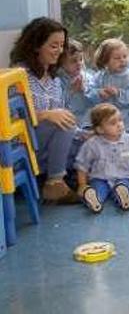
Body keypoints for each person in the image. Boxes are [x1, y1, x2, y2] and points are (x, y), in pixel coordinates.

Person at [10, 17, 79, 203]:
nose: (60, 51)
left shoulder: (56, 80)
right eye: (53, 45)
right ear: (36, 46)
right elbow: (9, 121)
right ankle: (55, 182)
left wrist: (87, 134)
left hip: (46, 147)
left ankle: (67, 182)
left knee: (92, 141)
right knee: (64, 123)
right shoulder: (18, 75)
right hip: (23, 145)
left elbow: (63, 116)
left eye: (62, 45)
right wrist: (44, 115)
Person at [74, 103, 129, 213]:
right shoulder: (92, 144)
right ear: (100, 129)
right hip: (100, 178)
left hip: (124, 177)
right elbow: (82, 165)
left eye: (120, 120)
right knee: (97, 190)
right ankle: (94, 200)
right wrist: (82, 185)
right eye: (113, 123)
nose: (119, 125)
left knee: (126, 186)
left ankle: (124, 198)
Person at [85, 38, 129, 133]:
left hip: (124, 121)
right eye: (117, 58)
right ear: (105, 60)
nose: (122, 60)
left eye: (125, 56)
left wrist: (119, 93)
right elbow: (88, 91)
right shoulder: (100, 76)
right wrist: (99, 93)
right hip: (103, 121)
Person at [57, 38, 93, 129]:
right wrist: (72, 91)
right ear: (61, 64)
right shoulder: (58, 81)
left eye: (81, 59)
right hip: (72, 121)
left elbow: (95, 98)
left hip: (89, 118)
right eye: (73, 61)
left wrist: (84, 90)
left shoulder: (88, 76)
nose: (79, 63)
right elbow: (58, 105)